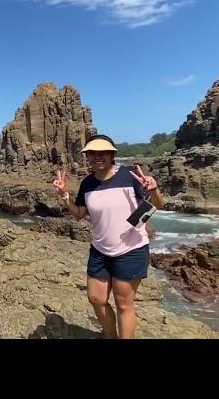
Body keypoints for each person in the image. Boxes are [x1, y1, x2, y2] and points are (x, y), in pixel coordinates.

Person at [52, 134, 164, 339]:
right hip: (100, 251)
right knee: (96, 298)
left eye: (102, 152)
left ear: (112, 154)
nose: (97, 157)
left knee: (123, 304)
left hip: (131, 250)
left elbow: (156, 205)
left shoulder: (130, 176)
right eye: (92, 153)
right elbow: (79, 215)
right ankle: (110, 335)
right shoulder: (87, 184)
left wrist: (153, 193)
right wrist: (65, 196)